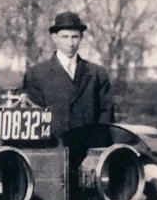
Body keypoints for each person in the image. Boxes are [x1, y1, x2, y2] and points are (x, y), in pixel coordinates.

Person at [21, 12, 114, 161]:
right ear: (54, 38)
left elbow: (106, 115)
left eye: (75, 37)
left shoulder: (97, 73)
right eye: (65, 37)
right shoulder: (37, 74)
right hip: (52, 152)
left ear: (81, 38)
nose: (70, 43)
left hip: (89, 153)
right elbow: (33, 118)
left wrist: (97, 151)